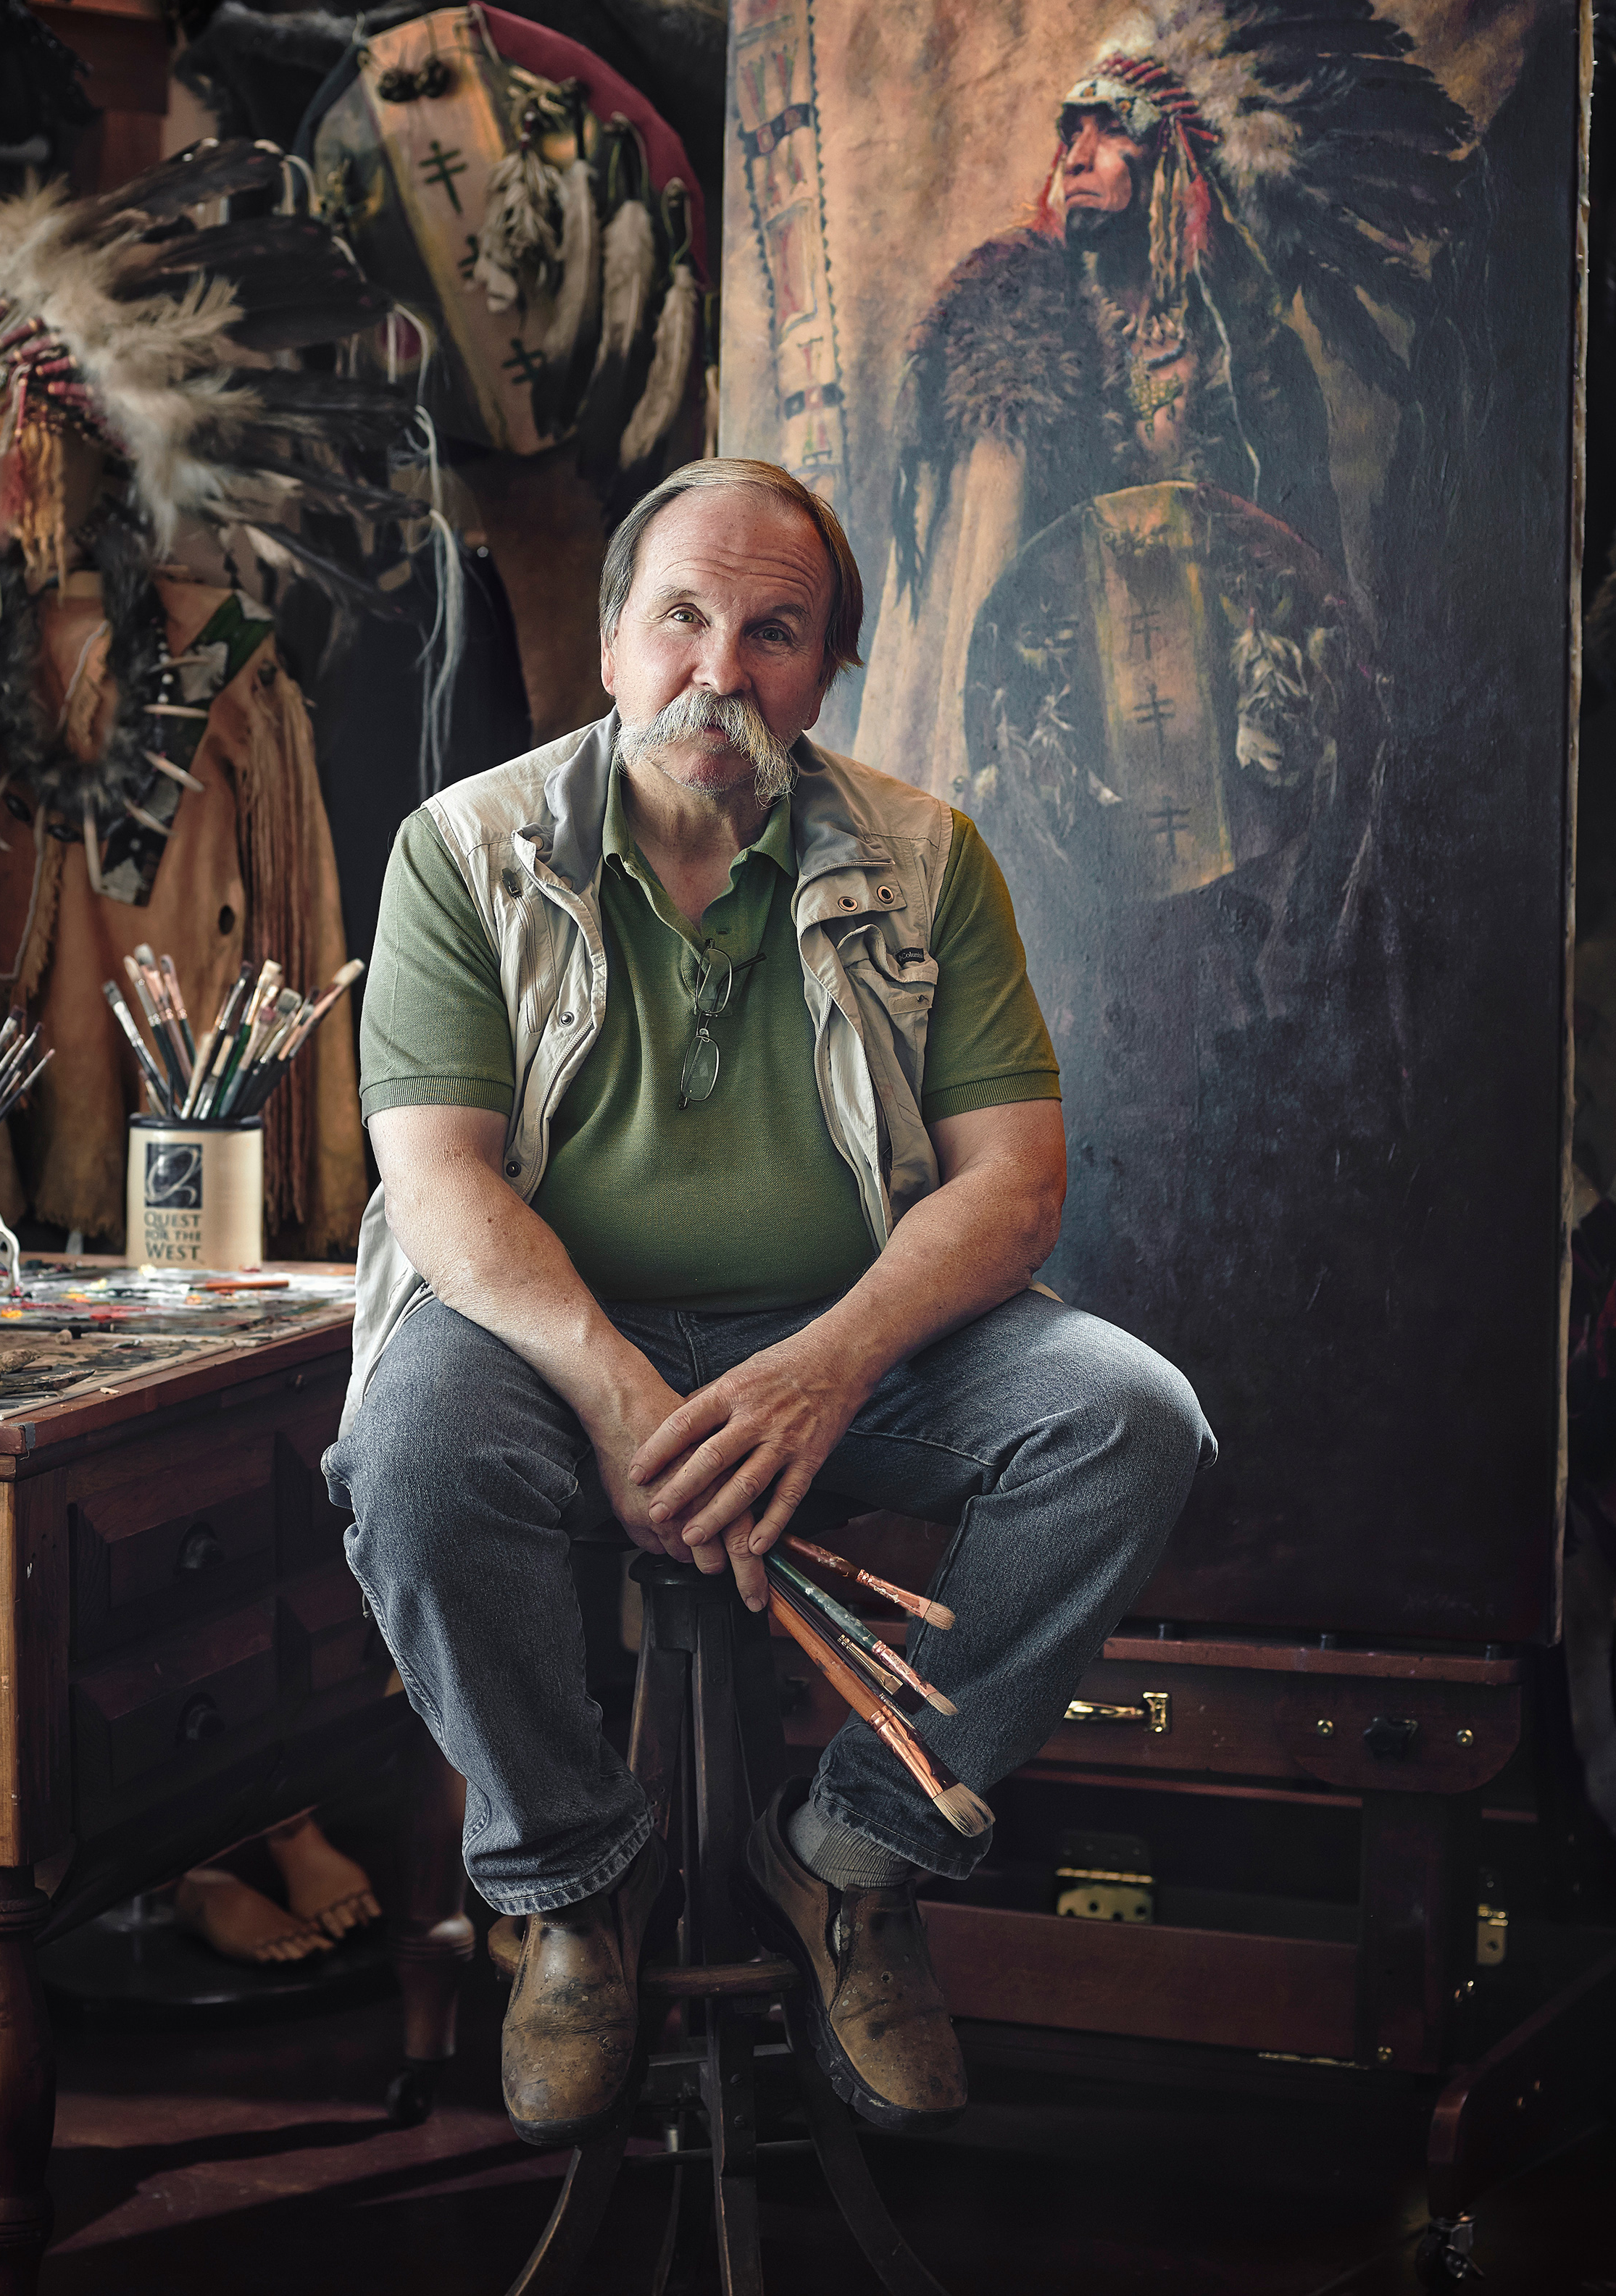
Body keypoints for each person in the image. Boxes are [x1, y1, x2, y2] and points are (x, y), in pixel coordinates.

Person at [325, 456, 1215, 2145]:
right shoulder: (464, 850)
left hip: (844, 1334)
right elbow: (437, 1183)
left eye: (774, 631)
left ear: (825, 671)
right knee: (409, 1455)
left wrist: (825, 1366)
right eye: (680, 617)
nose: (717, 669)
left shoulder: (925, 857)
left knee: (1125, 1420)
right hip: (546, 1341)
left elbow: (1014, 1182)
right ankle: (573, 1883)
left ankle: (852, 1856)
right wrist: (618, 1395)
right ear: (610, 640)